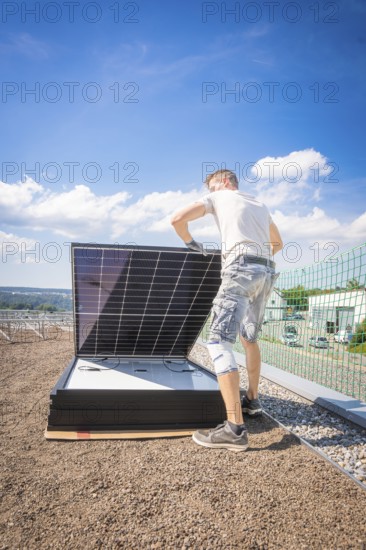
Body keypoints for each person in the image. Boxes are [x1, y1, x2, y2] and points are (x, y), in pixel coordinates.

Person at [170, 169, 283, 452]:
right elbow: (277, 244)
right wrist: (256, 262)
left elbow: (177, 219)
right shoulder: (259, 204)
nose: (209, 192)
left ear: (223, 183)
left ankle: (234, 428)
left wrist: (189, 242)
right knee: (249, 338)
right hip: (266, 271)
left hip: (241, 269)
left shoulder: (218, 196)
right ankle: (253, 401)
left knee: (218, 342)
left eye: (210, 186)